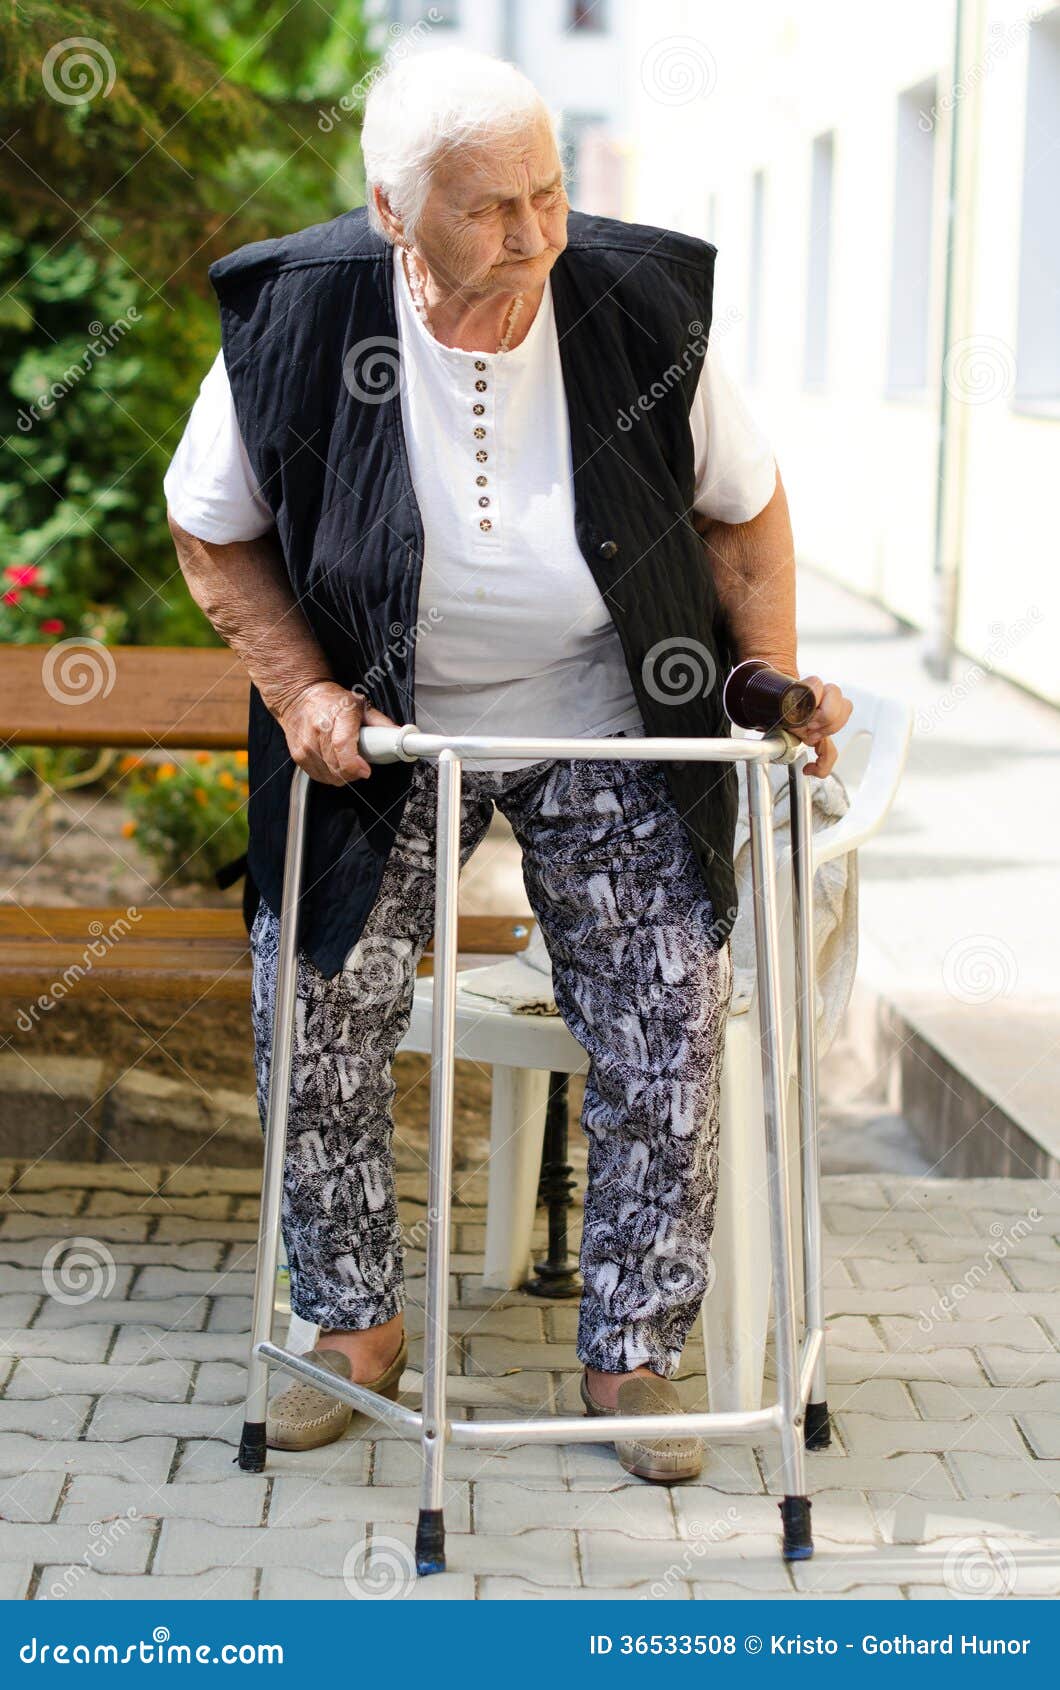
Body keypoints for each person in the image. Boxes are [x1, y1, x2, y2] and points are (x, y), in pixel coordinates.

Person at [165, 46, 851, 1484]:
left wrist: (763, 678)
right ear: (390, 211)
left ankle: (633, 1354)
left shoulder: (636, 299)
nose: (534, 233)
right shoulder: (300, 312)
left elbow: (745, 513)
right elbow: (212, 532)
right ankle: (353, 1330)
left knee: (668, 1002)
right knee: (318, 997)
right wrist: (301, 689)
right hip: (388, 723)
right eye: (488, 208)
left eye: (548, 191)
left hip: (602, 706)